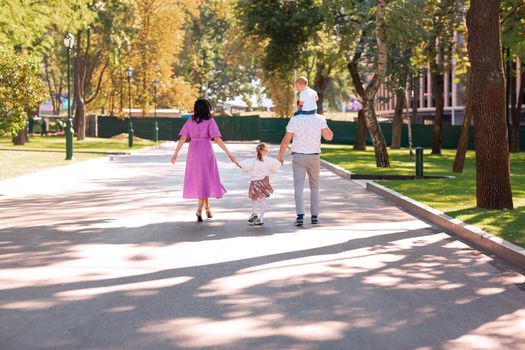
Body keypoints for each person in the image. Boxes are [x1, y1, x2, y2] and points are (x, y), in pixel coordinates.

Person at [278, 77, 334, 227]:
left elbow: (286, 140)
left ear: (301, 104)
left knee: (298, 187)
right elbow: (329, 137)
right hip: (314, 157)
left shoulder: (295, 120)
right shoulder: (319, 119)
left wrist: (279, 155)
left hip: (298, 157)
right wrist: (324, 124)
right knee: (314, 187)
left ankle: (300, 217)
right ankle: (314, 217)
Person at [171, 99, 238, 222]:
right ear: (207, 109)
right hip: (206, 152)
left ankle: (207, 209)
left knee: (202, 180)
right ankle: (199, 210)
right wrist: (229, 153)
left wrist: (175, 153)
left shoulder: (190, 121)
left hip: (193, 153)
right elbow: (217, 139)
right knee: (205, 179)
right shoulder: (210, 121)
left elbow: (183, 138)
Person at [238, 143, 281, 226]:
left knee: (254, 199)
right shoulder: (269, 160)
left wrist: (235, 161)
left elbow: (243, 166)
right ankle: (261, 218)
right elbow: (276, 166)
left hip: (254, 181)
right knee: (263, 200)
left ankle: (254, 213)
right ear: (265, 150)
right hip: (264, 181)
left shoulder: (252, 160)